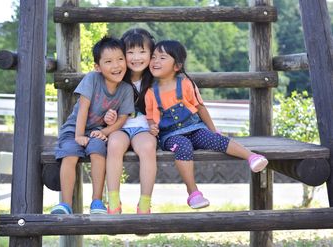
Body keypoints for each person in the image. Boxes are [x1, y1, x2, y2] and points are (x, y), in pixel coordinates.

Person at [145, 40, 268, 209]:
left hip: (195, 128)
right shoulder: (151, 92)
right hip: (170, 136)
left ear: (177, 66)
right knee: (183, 146)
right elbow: (151, 117)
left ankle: (251, 157)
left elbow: (200, 108)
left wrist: (213, 130)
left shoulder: (186, 84)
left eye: (162, 57)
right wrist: (152, 127)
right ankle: (193, 193)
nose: (155, 61)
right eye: (153, 57)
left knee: (214, 139)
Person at [50, 36, 135, 215]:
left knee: (98, 152)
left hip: (97, 131)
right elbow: (83, 108)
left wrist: (104, 131)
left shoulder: (126, 89)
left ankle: (96, 201)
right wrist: (79, 135)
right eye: (109, 61)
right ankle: (65, 204)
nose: (116, 65)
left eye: (120, 59)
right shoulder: (92, 79)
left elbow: (122, 119)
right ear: (98, 67)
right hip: (75, 128)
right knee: (70, 154)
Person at [104, 28, 157, 214]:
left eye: (142, 52)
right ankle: (113, 200)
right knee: (114, 144)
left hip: (144, 128)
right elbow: (103, 103)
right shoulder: (116, 77)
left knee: (148, 147)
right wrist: (107, 116)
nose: (136, 57)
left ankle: (145, 203)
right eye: (130, 52)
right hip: (120, 126)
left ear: (151, 53)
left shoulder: (155, 79)